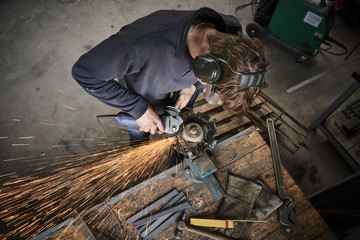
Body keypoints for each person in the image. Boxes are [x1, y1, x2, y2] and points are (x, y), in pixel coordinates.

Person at [72, 7, 270, 141]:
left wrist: (193, 86)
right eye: (209, 85)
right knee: (140, 134)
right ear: (205, 66)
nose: (205, 88)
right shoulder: (140, 46)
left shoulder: (229, 31)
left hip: (177, 96)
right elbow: (85, 73)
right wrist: (138, 110)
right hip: (142, 99)